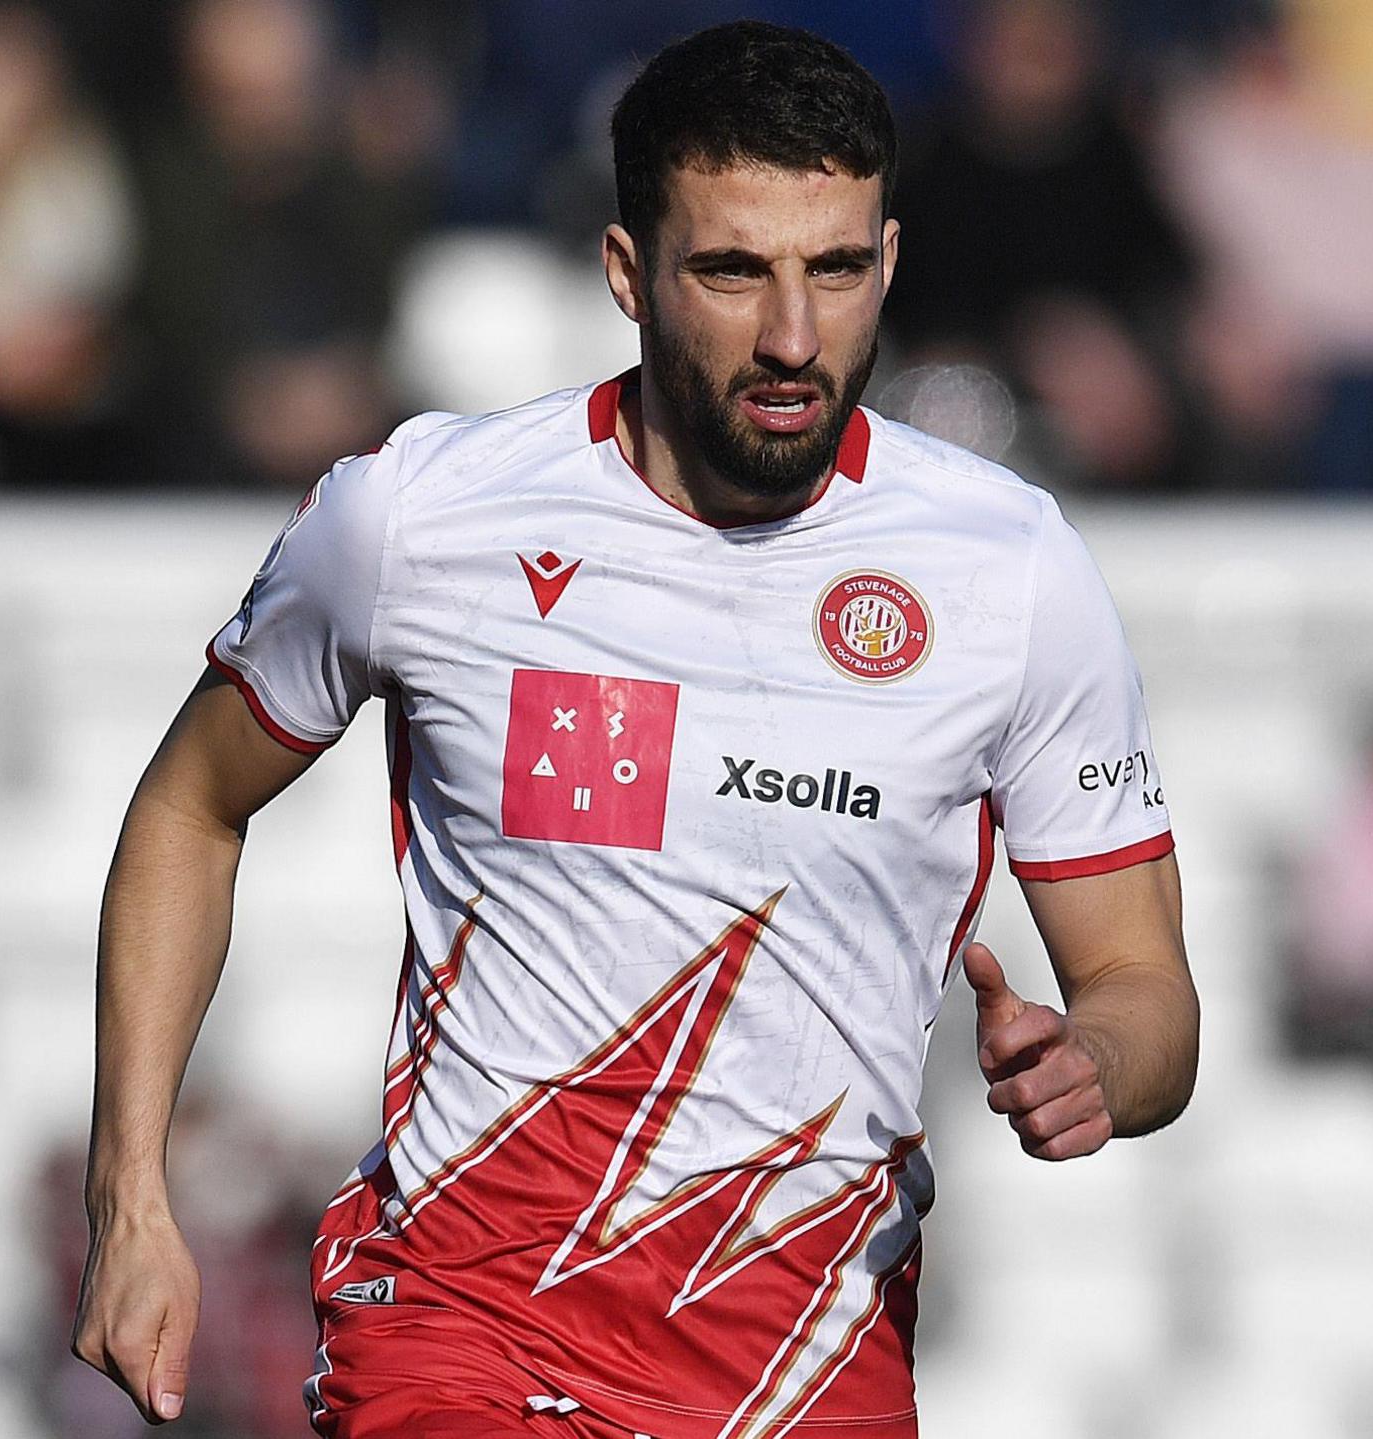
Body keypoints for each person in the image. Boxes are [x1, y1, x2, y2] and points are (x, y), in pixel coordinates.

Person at [72, 22, 1198, 1438]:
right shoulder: (422, 518)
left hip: (808, 1372)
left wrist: (1096, 1061)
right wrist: (133, 1195)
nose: (794, 335)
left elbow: (1147, 989)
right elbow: (191, 804)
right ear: (627, 274)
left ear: (890, 264)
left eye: (836, 271)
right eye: (734, 271)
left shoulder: (1009, 569)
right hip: (463, 1336)